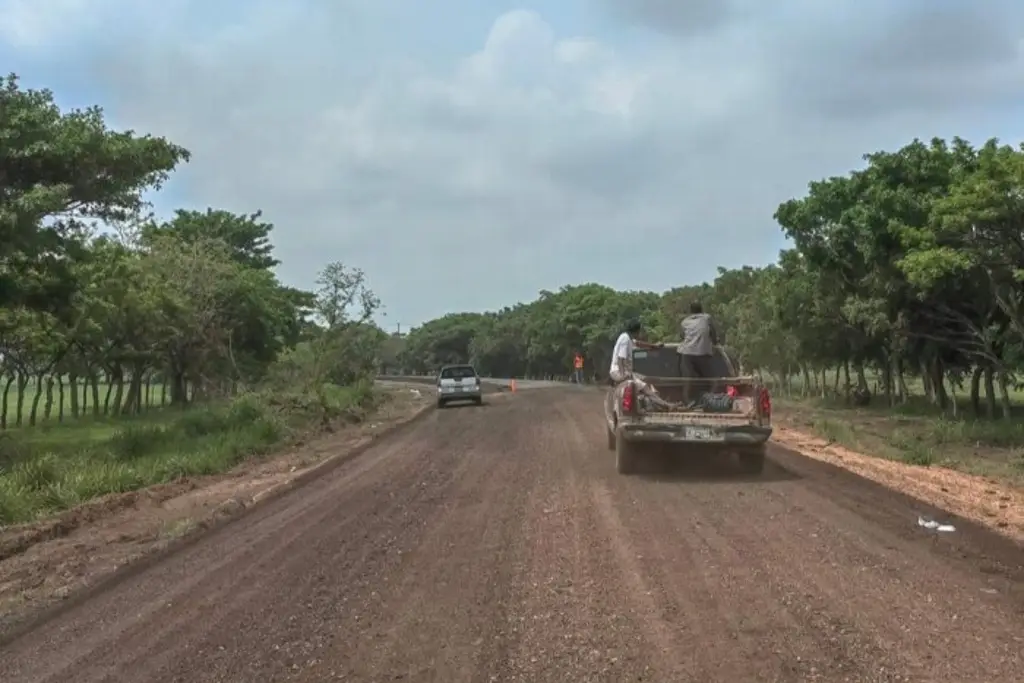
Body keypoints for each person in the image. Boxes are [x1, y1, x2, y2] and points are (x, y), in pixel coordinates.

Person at [678, 301, 721, 397]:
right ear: (702, 310)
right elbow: (713, 334)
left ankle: (687, 401)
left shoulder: (684, 322)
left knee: (687, 380)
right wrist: (714, 342)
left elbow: (682, 336)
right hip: (702, 352)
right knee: (714, 381)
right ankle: (710, 398)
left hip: (686, 353)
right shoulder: (707, 318)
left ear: (691, 311)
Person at [609, 319, 660, 390]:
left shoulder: (627, 337)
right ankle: (658, 399)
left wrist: (653, 346)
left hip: (625, 372)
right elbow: (620, 359)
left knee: (646, 379)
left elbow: (638, 343)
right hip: (619, 371)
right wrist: (623, 375)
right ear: (637, 331)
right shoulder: (625, 339)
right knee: (644, 386)